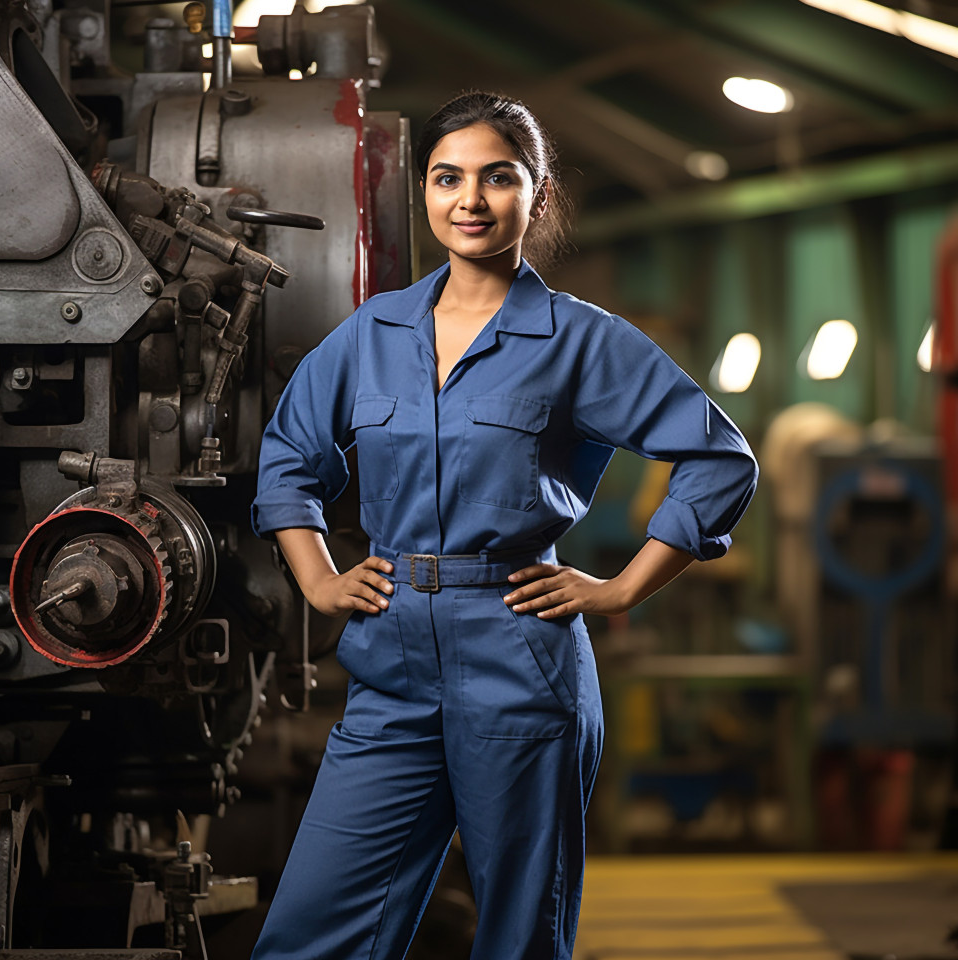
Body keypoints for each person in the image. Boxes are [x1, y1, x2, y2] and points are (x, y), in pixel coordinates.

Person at [249, 91, 758, 960]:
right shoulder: (373, 333)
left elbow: (719, 457)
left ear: (539, 196)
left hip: (518, 653)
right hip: (390, 659)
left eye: (498, 178)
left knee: (518, 938)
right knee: (309, 937)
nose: (470, 200)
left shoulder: (580, 341)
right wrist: (319, 577)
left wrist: (624, 587)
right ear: (425, 193)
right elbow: (290, 452)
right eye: (448, 179)